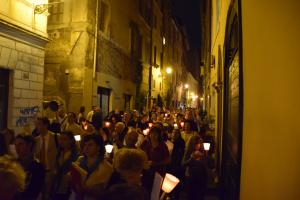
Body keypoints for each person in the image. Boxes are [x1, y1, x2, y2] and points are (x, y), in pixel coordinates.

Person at [71, 134, 113, 200]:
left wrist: (88, 190)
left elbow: (106, 190)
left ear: (98, 147)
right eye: (85, 145)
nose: (86, 148)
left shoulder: (106, 166)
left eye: (90, 145)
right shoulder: (79, 160)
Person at [14, 134, 45, 200]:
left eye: (20, 144)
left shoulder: (38, 167)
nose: (17, 148)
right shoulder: (14, 164)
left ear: (29, 145)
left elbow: (34, 192)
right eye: (15, 145)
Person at [34, 117, 58, 199]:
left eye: (39, 124)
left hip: (51, 172)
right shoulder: (36, 140)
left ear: (46, 125)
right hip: (39, 172)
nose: (36, 126)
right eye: (36, 124)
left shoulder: (55, 137)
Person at [51, 131, 79, 200]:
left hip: (68, 186)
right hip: (58, 184)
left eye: (64, 139)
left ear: (71, 141)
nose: (61, 142)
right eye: (60, 139)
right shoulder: (59, 152)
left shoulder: (76, 155)